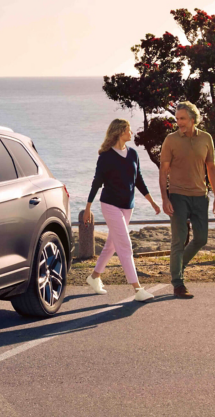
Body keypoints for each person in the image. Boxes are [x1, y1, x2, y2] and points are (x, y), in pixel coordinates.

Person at [84, 119, 161, 301]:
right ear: (120, 132)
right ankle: (137, 289)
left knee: (111, 245)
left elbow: (138, 180)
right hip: (110, 204)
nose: (131, 133)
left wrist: (152, 202)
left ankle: (94, 277)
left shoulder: (133, 154)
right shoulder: (106, 156)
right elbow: (97, 182)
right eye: (129, 130)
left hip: (128, 206)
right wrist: (87, 207)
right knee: (125, 245)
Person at [160, 101, 215, 299]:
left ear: (193, 119)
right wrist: (165, 198)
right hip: (177, 196)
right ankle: (178, 283)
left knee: (201, 238)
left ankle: (179, 264)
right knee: (178, 239)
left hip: (200, 196)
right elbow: (164, 171)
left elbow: (211, 167)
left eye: (182, 119)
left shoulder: (206, 138)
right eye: (177, 119)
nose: (179, 122)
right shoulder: (171, 140)